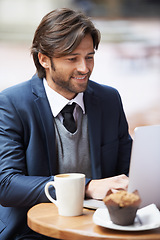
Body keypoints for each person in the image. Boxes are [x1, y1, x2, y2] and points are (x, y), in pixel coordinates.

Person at [0, 8, 132, 240]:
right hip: (33, 231)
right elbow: (6, 185)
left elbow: (128, 171)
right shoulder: (12, 103)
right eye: (72, 59)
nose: (84, 68)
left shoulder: (110, 100)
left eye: (89, 57)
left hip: (101, 227)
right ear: (44, 59)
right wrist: (86, 186)